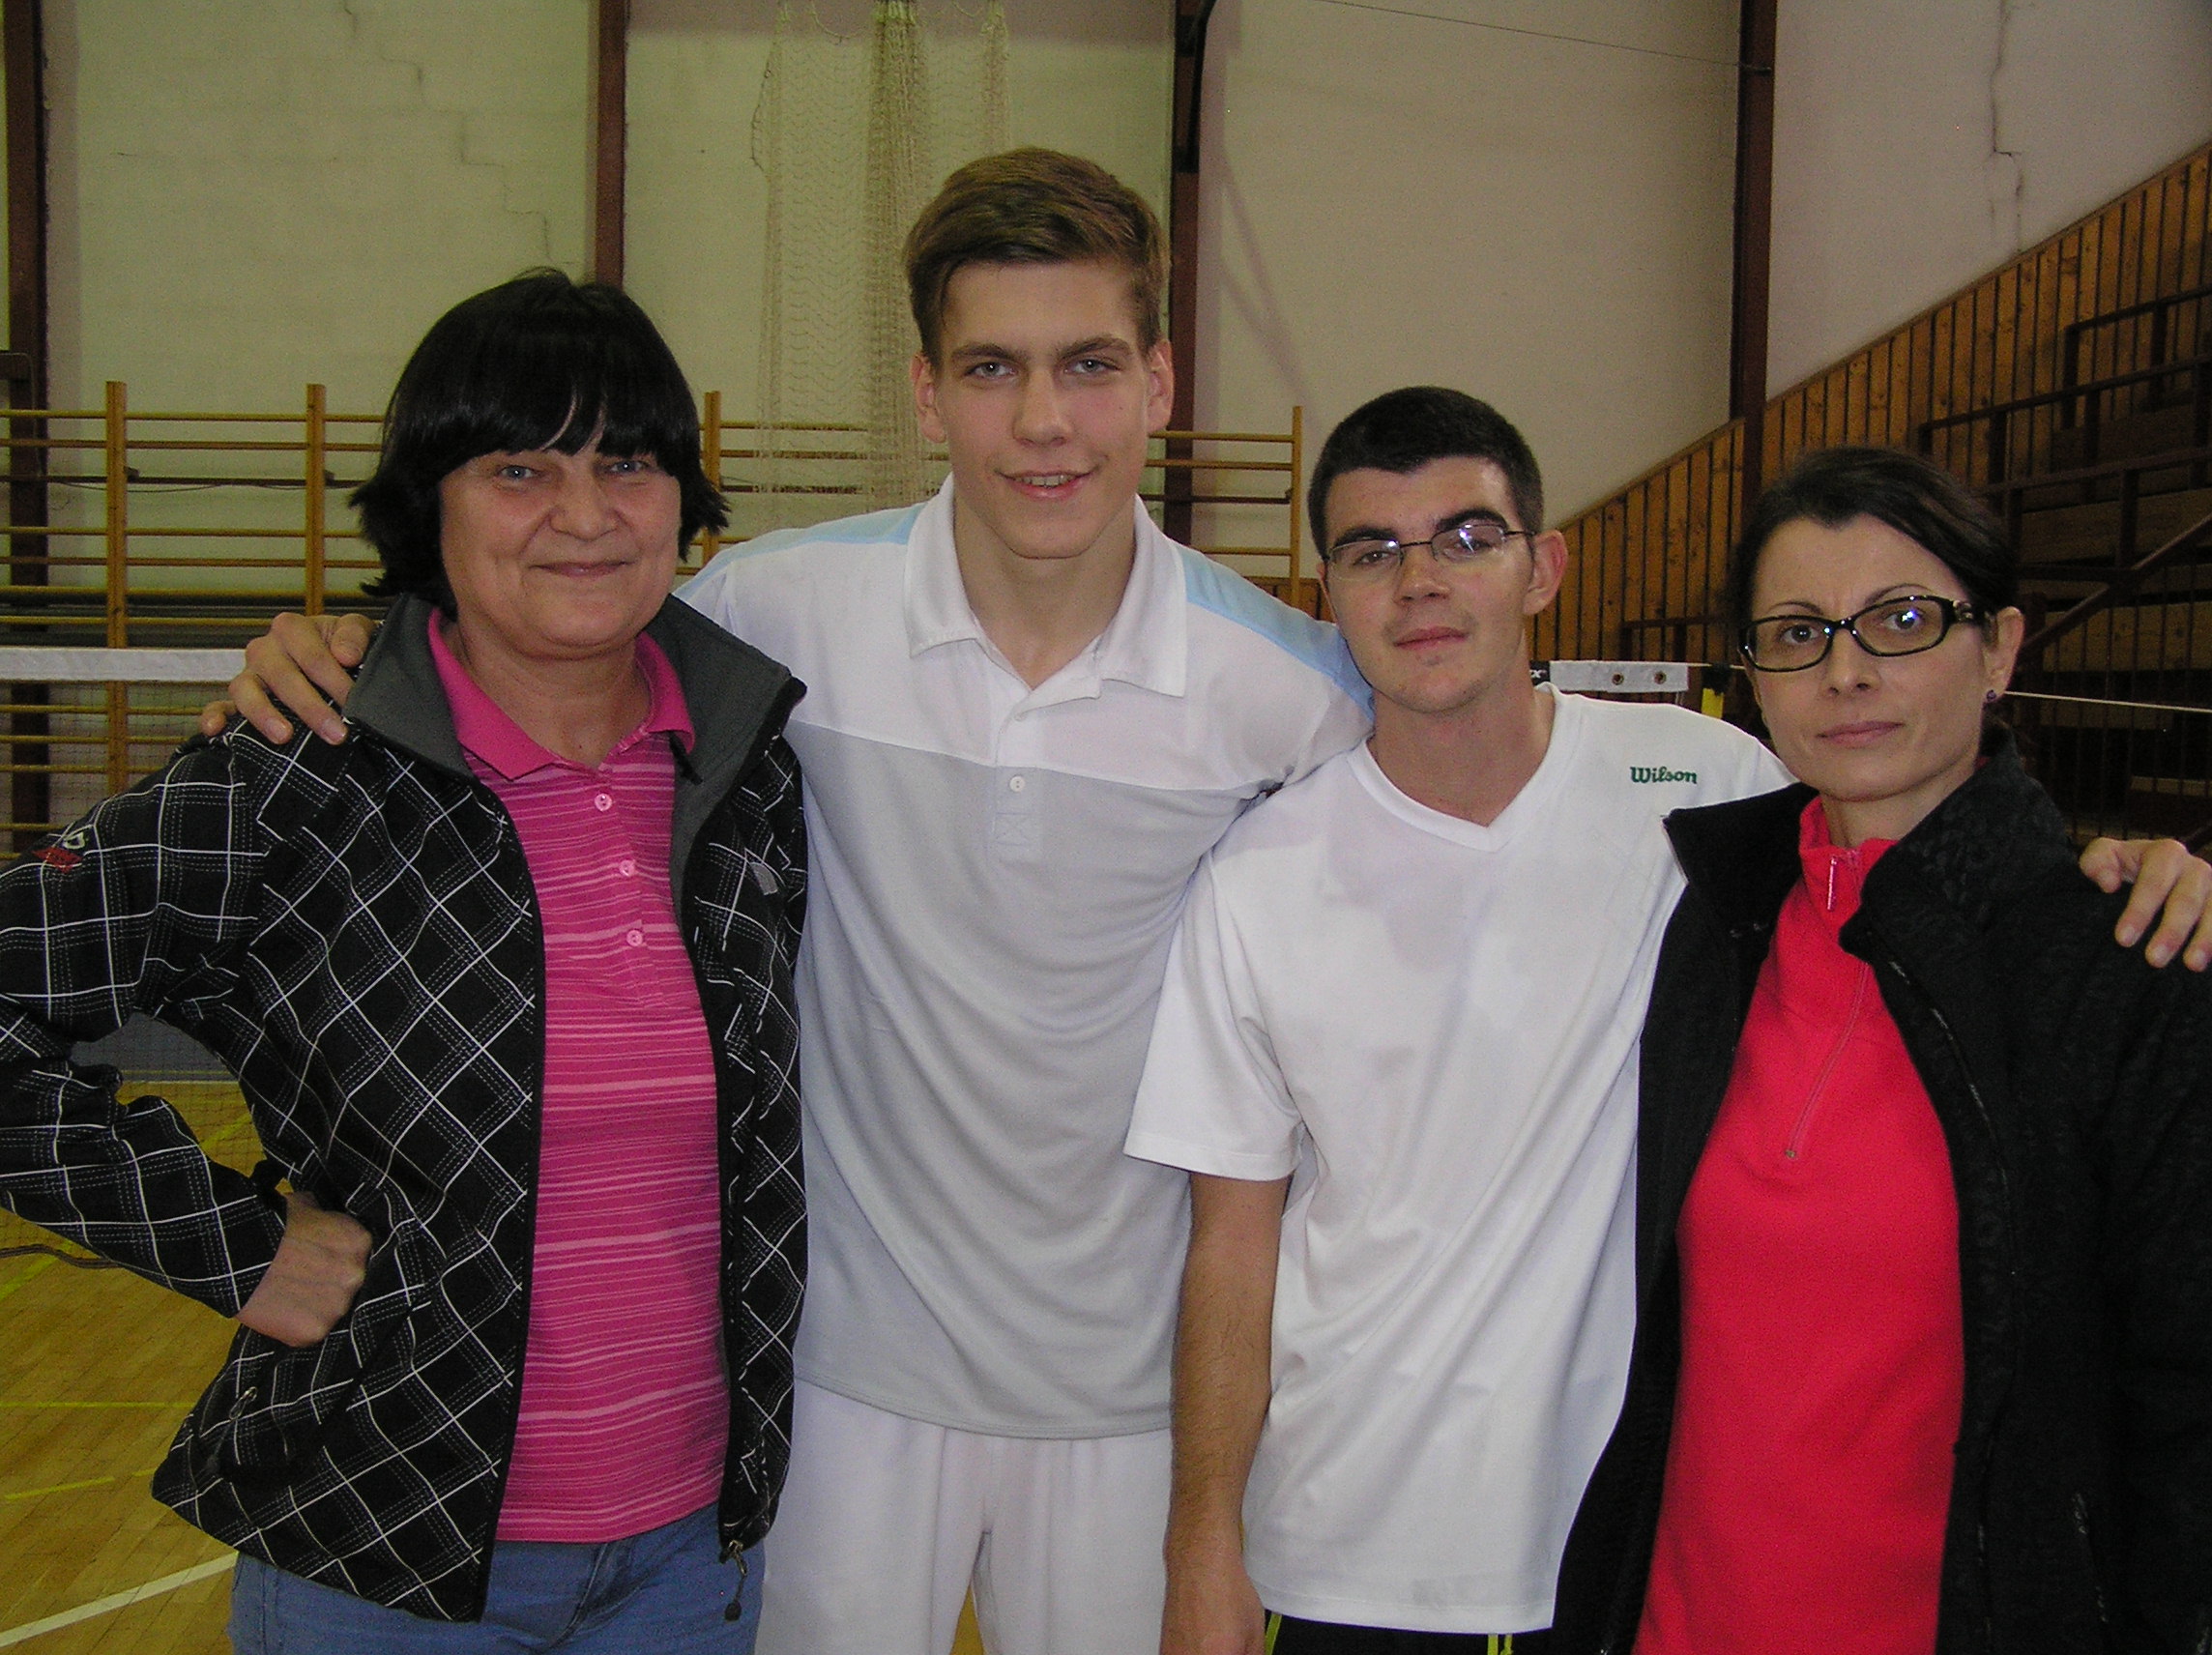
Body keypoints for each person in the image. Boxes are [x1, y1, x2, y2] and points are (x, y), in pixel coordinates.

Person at [205, 149, 1370, 1655]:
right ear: (927, 392)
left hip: (1139, 1403)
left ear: (1157, 378)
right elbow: (534, 619)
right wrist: (346, 651)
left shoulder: (1290, 693)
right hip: (836, 1393)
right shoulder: (772, 617)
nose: (1043, 421)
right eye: (992, 368)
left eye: (1088, 364)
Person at [1124, 394, 2212, 1655]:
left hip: (1615, 1550)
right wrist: (1199, 1543)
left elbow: (1925, 832)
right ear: (1330, 592)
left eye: (1467, 538)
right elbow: (1231, 1245)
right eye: (1373, 550)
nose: (1420, 581)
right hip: (1351, 1543)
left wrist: (2119, 871)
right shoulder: (1260, 876)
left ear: (1544, 566)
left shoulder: (1705, 798)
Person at [1, 271, 806, 1652]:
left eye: (628, 461)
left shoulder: (752, 764)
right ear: (430, 506)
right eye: (518, 468)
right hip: (378, 1558)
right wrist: (237, 1245)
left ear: (682, 500)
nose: (585, 514)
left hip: (690, 1562)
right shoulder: (293, 771)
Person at [1548, 448, 2212, 1655]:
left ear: (1998, 648)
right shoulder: (1718, 921)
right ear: (1752, 677)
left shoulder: (2124, 964)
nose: (1844, 671)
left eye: (1901, 620)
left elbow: (2182, 1402)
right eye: (1796, 633)